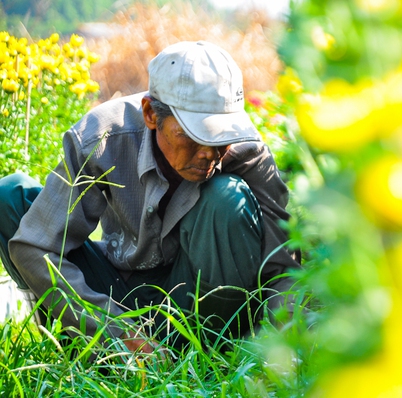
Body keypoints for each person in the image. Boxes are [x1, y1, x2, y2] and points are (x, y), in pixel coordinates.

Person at [0, 41, 300, 353]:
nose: (208, 154)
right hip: (117, 293)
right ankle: (94, 350)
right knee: (10, 197)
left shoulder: (248, 154)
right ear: (150, 114)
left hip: (204, 309)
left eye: (221, 137)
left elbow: (283, 269)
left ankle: (208, 353)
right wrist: (115, 330)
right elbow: (35, 246)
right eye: (192, 135)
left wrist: (283, 349)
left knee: (227, 196)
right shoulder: (103, 138)